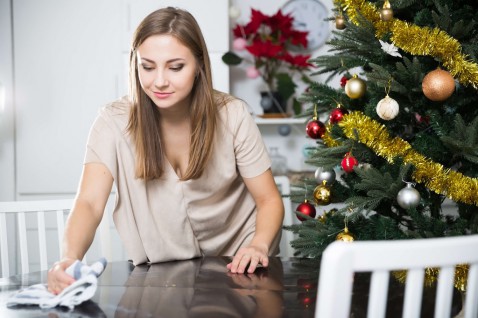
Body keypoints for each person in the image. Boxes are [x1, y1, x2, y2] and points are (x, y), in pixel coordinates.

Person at [47, 7, 284, 295]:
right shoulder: (112, 122)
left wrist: (258, 244)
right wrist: (69, 259)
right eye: (147, 67)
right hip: (163, 281)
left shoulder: (232, 115)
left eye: (175, 67)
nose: (159, 81)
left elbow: (268, 199)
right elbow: (89, 203)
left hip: (240, 269)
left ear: (199, 66)